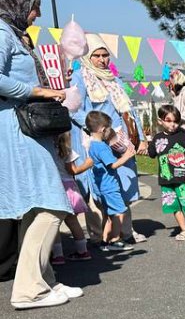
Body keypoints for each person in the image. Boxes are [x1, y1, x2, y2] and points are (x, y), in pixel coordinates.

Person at [0, 0, 79, 309]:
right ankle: (28, 289)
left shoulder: (16, 34)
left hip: (27, 128)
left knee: (36, 206)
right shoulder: (3, 32)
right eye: (35, 7)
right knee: (52, 203)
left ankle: (43, 281)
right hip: (17, 129)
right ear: (19, 3)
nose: (38, 14)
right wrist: (36, 90)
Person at [70, 33, 147, 245]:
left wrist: (140, 138)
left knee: (124, 183)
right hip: (95, 140)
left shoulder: (115, 79)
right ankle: (98, 234)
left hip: (120, 140)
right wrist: (93, 129)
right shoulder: (80, 78)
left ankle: (126, 231)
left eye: (105, 55)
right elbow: (72, 109)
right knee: (100, 186)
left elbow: (128, 110)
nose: (102, 59)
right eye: (97, 55)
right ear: (88, 57)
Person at [84, 111, 136, 251]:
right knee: (119, 212)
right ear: (102, 129)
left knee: (108, 215)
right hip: (109, 186)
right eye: (108, 128)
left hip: (101, 186)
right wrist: (126, 156)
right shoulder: (101, 147)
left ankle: (105, 241)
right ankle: (114, 240)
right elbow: (112, 165)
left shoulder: (93, 145)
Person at [150, 105, 185, 243]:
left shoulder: (183, 136)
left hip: (183, 178)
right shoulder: (157, 138)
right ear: (160, 121)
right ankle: (184, 229)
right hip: (166, 179)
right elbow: (151, 153)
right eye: (168, 120)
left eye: (176, 121)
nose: (173, 124)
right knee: (174, 206)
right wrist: (145, 144)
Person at [50, 133, 91, 264]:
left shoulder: (48, 149)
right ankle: (82, 251)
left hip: (53, 187)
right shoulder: (66, 150)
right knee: (73, 222)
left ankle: (58, 255)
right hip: (68, 187)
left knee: (54, 223)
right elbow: (73, 170)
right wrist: (87, 164)